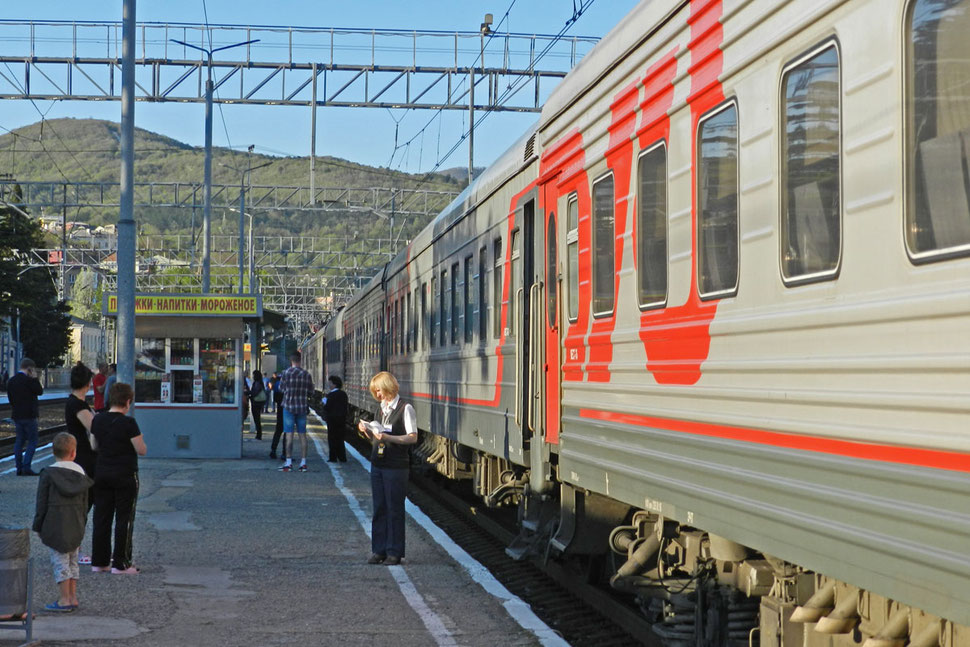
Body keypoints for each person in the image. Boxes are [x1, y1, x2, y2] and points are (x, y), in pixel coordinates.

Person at [357, 372, 417, 565]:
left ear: (388, 387)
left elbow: (412, 437)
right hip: (379, 464)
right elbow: (378, 437)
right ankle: (379, 550)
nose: (378, 395)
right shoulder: (380, 410)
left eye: (379, 390)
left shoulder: (405, 409)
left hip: (396, 465)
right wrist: (368, 431)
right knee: (379, 508)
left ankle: (394, 551)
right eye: (376, 392)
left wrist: (388, 438)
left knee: (394, 509)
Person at [32, 432, 95, 612]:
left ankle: (64, 599)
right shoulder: (81, 474)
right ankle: (73, 596)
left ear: (53, 452)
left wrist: (38, 525)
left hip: (54, 524)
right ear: (74, 453)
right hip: (76, 523)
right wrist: (82, 523)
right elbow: (85, 504)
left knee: (60, 562)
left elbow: (41, 502)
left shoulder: (48, 474)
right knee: (73, 560)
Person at [90, 382, 146, 575]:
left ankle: (99, 562)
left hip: (102, 473)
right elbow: (141, 449)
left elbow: (94, 446)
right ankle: (121, 564)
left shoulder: (97, 420)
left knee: (101, 518)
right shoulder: (129, 423)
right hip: (125, 475)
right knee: (124, 519)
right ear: (128, 402)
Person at [65, 362, 97, 565]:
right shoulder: (79, 405)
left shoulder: (72, 402)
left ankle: (74, 548)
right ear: (88, 384)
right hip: (84, 458)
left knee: (82, 504)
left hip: (79, 455)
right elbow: (94, 428)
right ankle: (75, 549)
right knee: (84, 504)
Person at [7, 357, 44, 476]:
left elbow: (10, 399)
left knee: (19, 441)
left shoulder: (11, 381)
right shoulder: (29, 380)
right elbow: (39, 391)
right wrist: (34, 378)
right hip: (29, 416)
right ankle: (26, 466)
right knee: (32, 441)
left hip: (17, 415)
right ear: (29, 369)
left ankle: (18, 467)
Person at [278, 352, 313, 472]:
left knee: (289, 435)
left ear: (291, 361)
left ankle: (288, 462)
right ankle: (303, 462)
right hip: (302, 407)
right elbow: (311, 391)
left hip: (288, 407)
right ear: (300, 360)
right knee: (302, 435)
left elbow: (281, 389)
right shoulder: (306, 374)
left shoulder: (286, 373)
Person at [322, 375, 349, 463]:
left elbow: (327, 407)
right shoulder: (343, 394)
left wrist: (324, 403)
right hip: (342, 419)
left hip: (332, 420)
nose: (329, 385)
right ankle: (342, 457)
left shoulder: (330, 395)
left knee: (332, 439)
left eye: (330, 383)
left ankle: (333, 457)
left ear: (334, 384)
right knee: (340, 439)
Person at [269, 373, 285, 460]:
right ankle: (285, 453)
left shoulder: (277, 385)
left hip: (280, 410)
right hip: (287, 411)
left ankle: (273, 450)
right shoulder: (287, 385)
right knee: (287, 432)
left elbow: (275, 399)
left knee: (278, 431)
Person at [249, 370, 266, 440]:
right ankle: (259, 434)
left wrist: (249, 394)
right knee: (257, 419)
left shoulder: (257, 383)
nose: (252, 376)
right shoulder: (260, 382)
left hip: (256, 403)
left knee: (257, 419)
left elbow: (255, 392)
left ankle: (259, 435)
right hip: (259, 403)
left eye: (253, 375)